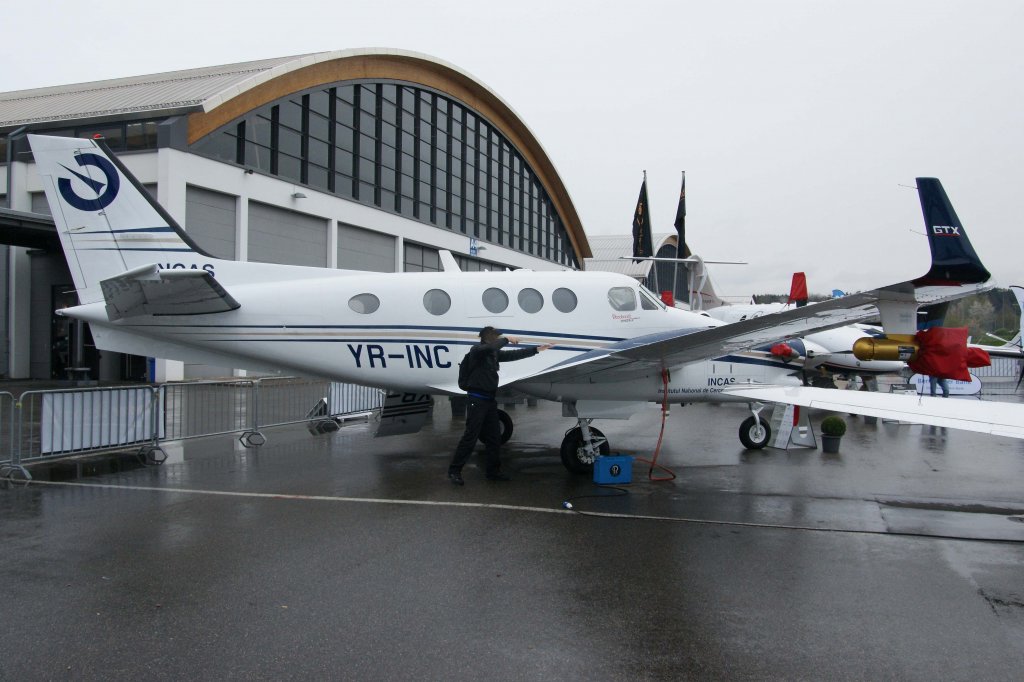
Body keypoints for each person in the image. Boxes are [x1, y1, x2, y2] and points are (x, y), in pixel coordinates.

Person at [448, 327, 551, 485]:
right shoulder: (477, 351)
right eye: (496, 336)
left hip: (489, 400)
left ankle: (493, 472)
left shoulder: (492, 354)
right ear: (487, 337)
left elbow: (512, 355)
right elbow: (491, 347)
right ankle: (454, 471)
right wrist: (507, 339)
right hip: (477, 399)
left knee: (494, 438)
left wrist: (536, 350)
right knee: (470, 436)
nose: (498, 338)